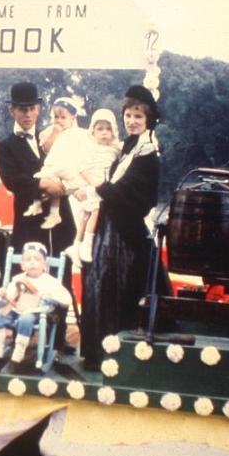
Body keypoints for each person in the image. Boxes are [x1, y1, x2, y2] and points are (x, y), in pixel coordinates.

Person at [80, 85, 164, 370]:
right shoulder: (128, 147)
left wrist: (100, 186)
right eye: (128, 115)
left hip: (125, 235)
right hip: (109, 228)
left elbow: (139, 199)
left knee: (115, 291)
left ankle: (114, 356)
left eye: (138, 117)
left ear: (148, 119)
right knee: (100, 288)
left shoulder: (148, 154)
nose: (131, 121)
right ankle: (98, 354)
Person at [0, 82, 76, 255]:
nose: (29, 114)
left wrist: (61, 188)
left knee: (62, 272)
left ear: (38, 109)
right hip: (29, 223)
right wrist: (43, 184)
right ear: (13, 111)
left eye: (32, 109)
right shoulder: (5, 146)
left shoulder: (52, 136)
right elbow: (13, 181)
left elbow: (68, 165)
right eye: (23, 110)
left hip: (61, 220)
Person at [0, 242, 71, 374]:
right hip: (14, 308)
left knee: (25, 319)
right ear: (22, 265)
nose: (32, 262)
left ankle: (17, 357)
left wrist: (48, 297)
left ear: (45, 265)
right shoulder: (17, 278)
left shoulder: (49, 281)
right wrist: (3, 295)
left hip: (34, 311)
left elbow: (66, 299)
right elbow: (7, 300)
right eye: (28, 259)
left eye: (37, 259)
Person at [63, 108, 122, 264]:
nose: (104, 133)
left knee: (86, 216)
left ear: (114, 131)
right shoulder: (89, 149)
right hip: (91, 183)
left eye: (108, 129)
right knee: (93, 210)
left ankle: (76, 245)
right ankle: (87, 244)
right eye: (100, 129)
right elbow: (81, 168)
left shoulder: (116, 149)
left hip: (104, 186)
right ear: (93, 131)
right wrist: (93, 184)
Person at [25, 96, 87, 229]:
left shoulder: (78, 134)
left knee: (61, 187)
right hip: (54, 167)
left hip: (69, 167)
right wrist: (55, 133)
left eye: (63, 118)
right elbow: (46, 149)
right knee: (42, 181)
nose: (59, 121)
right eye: (56, 117)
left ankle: (53, 213)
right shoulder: (50, 131)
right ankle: (41, 206)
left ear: (73, 118)